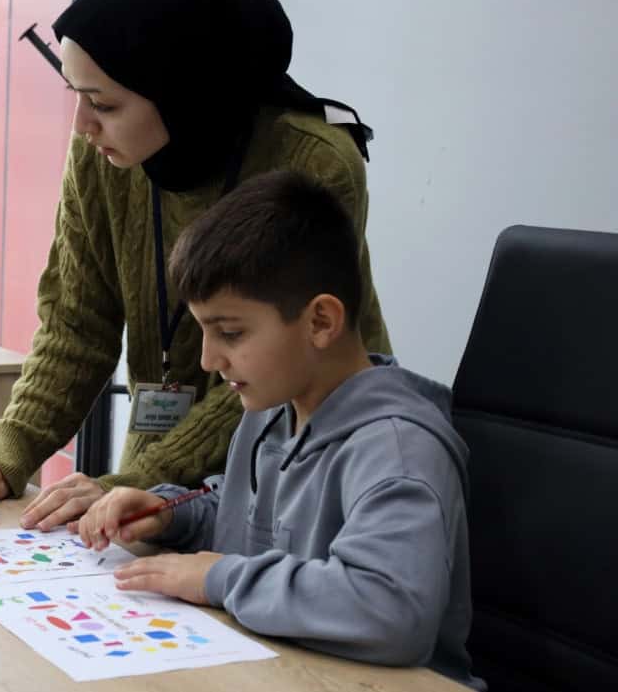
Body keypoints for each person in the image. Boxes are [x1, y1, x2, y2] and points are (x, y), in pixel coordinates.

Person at [0, 0, 391, 529]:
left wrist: (139, 482)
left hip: (299, 475)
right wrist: (9, 452)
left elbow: (279, 367)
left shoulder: (314, 162)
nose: (83, 126)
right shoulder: (103, 152)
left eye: (103, 103)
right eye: (76, 97)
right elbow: (76, 324)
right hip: (157, 489)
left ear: (185, 94)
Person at [78, 171, 482, 690]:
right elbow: (251, 524)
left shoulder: (398, 451)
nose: (208, 360)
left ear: (320, 322)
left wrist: (217, 578)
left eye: (230, 333)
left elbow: (388, 610)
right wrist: (169, 514)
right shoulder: (272, 412)